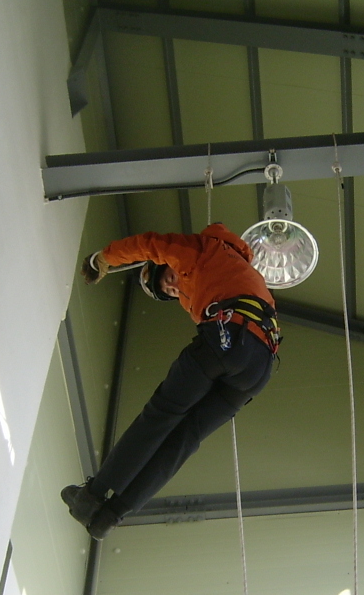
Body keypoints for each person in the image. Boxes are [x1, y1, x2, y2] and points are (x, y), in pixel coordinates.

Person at [61, 223, 281, 540]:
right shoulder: (241, 276)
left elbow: (149, 243)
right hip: (258, 370)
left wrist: (103, 259)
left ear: (166, 265)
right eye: (168, 292)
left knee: (161, 415)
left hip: (229, 339)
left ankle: (91, 497)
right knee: (185, 439)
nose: (172, 287)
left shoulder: (204, 250)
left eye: (165, 278)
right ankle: (109, 516)